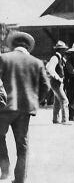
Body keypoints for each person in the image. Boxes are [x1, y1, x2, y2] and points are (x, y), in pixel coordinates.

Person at [0, 31, 47, 183]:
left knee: (0, 138)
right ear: (28, 47)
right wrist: (35, 100)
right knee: (23, 145)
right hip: (25, 109)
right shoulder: (37, 62)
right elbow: (45, 86)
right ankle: (20, 179)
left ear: (13, 45)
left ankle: (4, 169)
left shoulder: (3, 58)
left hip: (4, 108)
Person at [46, 40, 70, 124]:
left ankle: (55, 119)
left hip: (58, 83)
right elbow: (50, 68)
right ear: (59, 50)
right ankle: (65, 120)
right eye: (63, 49)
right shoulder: (55, 58)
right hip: (56, 82)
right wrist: (58, 78)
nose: (65, 50)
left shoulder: (61, 58)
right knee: (64, 100)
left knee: (57, 102)